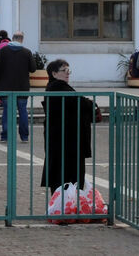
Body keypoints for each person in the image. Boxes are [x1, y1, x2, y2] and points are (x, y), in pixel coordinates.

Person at [41, 59, 95, 192]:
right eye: (64, 70)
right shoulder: (58, 86)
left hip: (64, 139)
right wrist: (91, 105)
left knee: (62, 175)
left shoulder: (56, 86)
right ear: (54, 74)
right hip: (66, 141)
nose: (67, 73)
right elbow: (80, 102)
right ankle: (66, 201)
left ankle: (64, 199)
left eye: (68, 70)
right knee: (67, 175)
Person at [0, 31, 35, 143]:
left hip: (6, 88)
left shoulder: (3, 51)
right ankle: (24, 136)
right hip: (22, 88)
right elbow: (33, 68)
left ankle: (5, 136)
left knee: (7, 111)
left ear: (12, 38)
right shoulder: (27, 52)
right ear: (22, 39)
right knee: (22, 111)